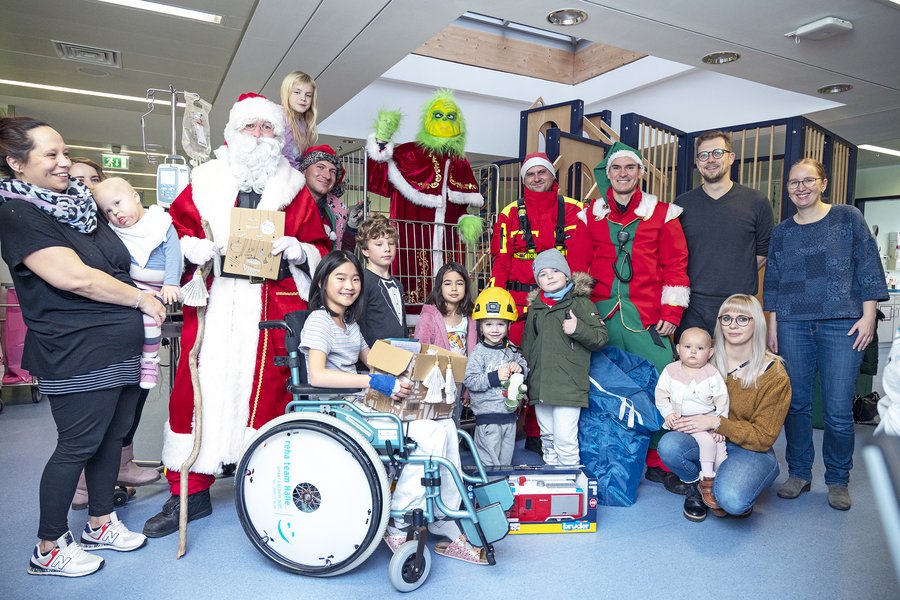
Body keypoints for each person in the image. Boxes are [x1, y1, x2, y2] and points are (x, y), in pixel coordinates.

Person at [143, 92, 331, 538]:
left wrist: (300, 249)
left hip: (271, 305)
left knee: (266, 394)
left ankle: (262, 482)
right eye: (252, 127)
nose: (260, 136)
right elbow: (173, 234)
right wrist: (193, 248)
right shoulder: (203, 181)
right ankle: (189, 490)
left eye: (268, 129)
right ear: (234, 133)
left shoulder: (295, 188)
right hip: (214, 299)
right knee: (195, 390)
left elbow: (322, 249)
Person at [0, 116, 166, 576]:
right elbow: (72, 277)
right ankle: (49, 546)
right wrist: (140, 299)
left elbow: (121, 259)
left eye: (65, 152)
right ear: (16, 163)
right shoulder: (16, 212)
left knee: (111, 440)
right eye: (50, 155)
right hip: (74, 350)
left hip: (119, 346)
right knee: (77, 445)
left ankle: (99, 521)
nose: (64, 163)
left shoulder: (78, 205)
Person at [300, 251, 490, 565]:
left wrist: (414, 361)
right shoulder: (319, 321)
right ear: (322, 282)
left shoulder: (348, 323)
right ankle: (400, 516)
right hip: (337, 408)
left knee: (444, 425)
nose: (350, 286)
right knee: (428, 432)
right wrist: (374, 383)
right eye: (341, 278)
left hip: (360, 401)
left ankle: (444, 513)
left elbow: (372, 357)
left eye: (355, 279)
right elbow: (318, 375)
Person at [765, 158, 889, 511]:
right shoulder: (782, 232)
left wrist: (868, 317)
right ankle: (799, 473)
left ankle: (837, 479)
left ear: (823, 183)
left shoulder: (848, 218)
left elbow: (868, 265)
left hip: (843, 323)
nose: (800, 187)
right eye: (793, 182)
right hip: (792, 323)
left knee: (836, 408)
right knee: (797, 404)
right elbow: (773, 280)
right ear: (786, 189)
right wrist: (773, 323)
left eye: (808, 180)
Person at [581, 141, 690, 492]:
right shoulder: (591, 214)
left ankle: (660, 459)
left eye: (630, 168)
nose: (623, 174)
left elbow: (676, 265)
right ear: (607, 174)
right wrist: (583, 314)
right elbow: (579, 267)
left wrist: (672, 311)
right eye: (616, 168)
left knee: (659, 385)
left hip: (647, 318)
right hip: (601, 316)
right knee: (604, 385)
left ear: (640, 172)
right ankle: (612, 449)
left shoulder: (663, 213)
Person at [489, 151, 592, 454]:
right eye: (530, 174)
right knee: (525, 365)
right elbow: (501, 261)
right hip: (520, 303)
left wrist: (572, 299)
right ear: (523, 180)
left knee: (556, 364)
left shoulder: (575, 210)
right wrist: (498, 300)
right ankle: (523, 431)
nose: (536, 179)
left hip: (562, 301)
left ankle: (546, 435)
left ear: (552, 177)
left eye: (541, 173)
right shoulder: (509, 213)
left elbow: (583, 258)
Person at [657, 294, 791, 522]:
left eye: (742, 319)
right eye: (726, 318)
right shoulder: (703, 354)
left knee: (732, 501)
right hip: (706, 439)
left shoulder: (774, 375)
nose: (733, 325)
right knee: (669, 445)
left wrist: (717, 422)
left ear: (757, 322)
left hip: (750, 448)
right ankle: (699, 485)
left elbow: (764, 436)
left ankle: (757, 473)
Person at [366, 89, 484, 305]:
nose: (445, 121)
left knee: (449, 286)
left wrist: (465, 219)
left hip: (449, 242)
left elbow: (461, 206)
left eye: (451, 117)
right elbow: (378, 181)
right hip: (411, 238)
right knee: (411, 280)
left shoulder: (461, 162)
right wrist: (381, 141)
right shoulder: (409, 154)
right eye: (438, 115)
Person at [674, 130, 773, 339]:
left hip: (739, 305)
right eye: (704, 155)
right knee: (693, 368)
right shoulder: (681, 205)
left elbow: (762, 253)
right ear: (697, 162)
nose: (710, 160)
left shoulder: (757, 202)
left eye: (717, 153)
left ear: (731, 157)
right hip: (693, 307)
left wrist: (733, 271)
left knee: (738, 369)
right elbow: (674, 255)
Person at [93, 177, 181, 389]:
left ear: (135, 196)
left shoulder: (161, 223)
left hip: (158, 287)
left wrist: (171, 282)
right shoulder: (115, 232)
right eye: (108, 212)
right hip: (131, 285)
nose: (116, 214)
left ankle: (149, 362)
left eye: (117, 203)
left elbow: (174, 254)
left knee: (150, 319)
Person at [521, 249, 608, 466]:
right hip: (541, 386)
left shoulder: (580, 303)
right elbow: (528, 347)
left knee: (565, 440)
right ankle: (553, 480)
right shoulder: (536, 309)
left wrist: (578, 328)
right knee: (548, 439)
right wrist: (524, 381)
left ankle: (570, 484)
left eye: (555, 271)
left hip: (568, 386)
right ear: (537, 281)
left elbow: (600, 338)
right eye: (543, 274)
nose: (549, 276)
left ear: (566, 274)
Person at [655, 327, 729, 509]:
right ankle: (706, 481)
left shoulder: (711, 373)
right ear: (678, 349)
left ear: (710, 352)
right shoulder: (671, 370)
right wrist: (668, 413)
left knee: (721, 458)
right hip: (684, 422)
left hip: (709, 419)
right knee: (707, 442)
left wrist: (720, 424)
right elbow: (661, 394)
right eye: (688, 347)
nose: (693, 352)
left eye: (700, 348)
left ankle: (720, 486)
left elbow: (722, 399)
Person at [465, 287, 528, 468]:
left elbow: (525, 367)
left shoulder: (511, 348)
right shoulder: (478, 353)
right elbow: (470, 380)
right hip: (488, 421)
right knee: (490, 467)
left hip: (509, 419)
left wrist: (520, 369)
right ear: (480, 326)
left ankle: (503, 495)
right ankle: (491, 496)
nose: (494, 330)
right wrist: (495, 377)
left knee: (505, 464)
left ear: (508, 326)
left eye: (500, 324)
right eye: (489, 324)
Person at [414, 261, 477, 424]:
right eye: (448, 283)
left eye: (459, 283)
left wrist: (468, 387)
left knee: (454, 420)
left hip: (459, 379)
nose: (454, 288)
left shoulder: (469, 317)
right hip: (436, 379)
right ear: (439, 288)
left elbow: (473, 353)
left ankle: (453, 446)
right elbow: (420, 348)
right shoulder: (430, 316)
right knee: (434, 421)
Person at [356, 214, 407, 346]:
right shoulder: (363, 280)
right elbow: (359, 324)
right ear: (365, 251)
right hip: (373, 357)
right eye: (379, 244)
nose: (387, 249)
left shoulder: (398, 284)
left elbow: (402, 323)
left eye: (391, 243)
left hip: (398, 354)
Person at [297, 145, 352, 251]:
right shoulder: (285, 201)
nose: (327, 176)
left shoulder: (338, 212)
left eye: (333, 171)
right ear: (304, 171)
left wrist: (351, 228)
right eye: (320, 167)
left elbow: (342, 253)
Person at [279, 70, 318, 169]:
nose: (303, 98)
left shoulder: (305, 125)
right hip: (277, 176)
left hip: (293, 178)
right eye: (297, 92)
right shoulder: (278, 116)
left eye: (308, 95)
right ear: (286, 93)